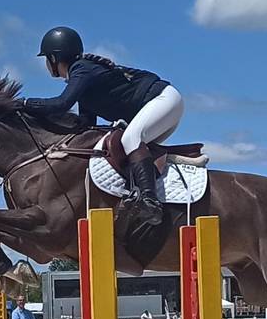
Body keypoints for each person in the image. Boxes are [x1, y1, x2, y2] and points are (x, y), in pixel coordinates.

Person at [24, 27, 184, 224]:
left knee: (130, 139)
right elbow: (85, 124)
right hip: (159, 105)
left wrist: (25, 104)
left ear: (55, 58)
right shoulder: (82, 76)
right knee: (122, 148)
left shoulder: (82, 70)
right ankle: (136, 195)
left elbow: (61, 104)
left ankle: (150, 202)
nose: (47, 65)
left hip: (164, 100)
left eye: (47, 59)